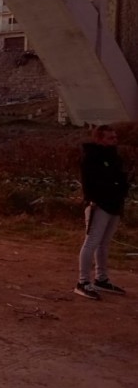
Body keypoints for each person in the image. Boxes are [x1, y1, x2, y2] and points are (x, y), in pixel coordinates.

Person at [75, 125, 130, 300]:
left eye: (115, 137)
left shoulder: (114, 157)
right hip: (99, 205)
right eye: (110, 138)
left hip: (114, 204)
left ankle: (101, 279)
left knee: (104, 244)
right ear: (99, 139)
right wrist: (93, 200)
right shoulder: (91, 157)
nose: (114, 140)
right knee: (91, 242)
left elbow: (119, 179)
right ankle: (83, 282)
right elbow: (89, 182)